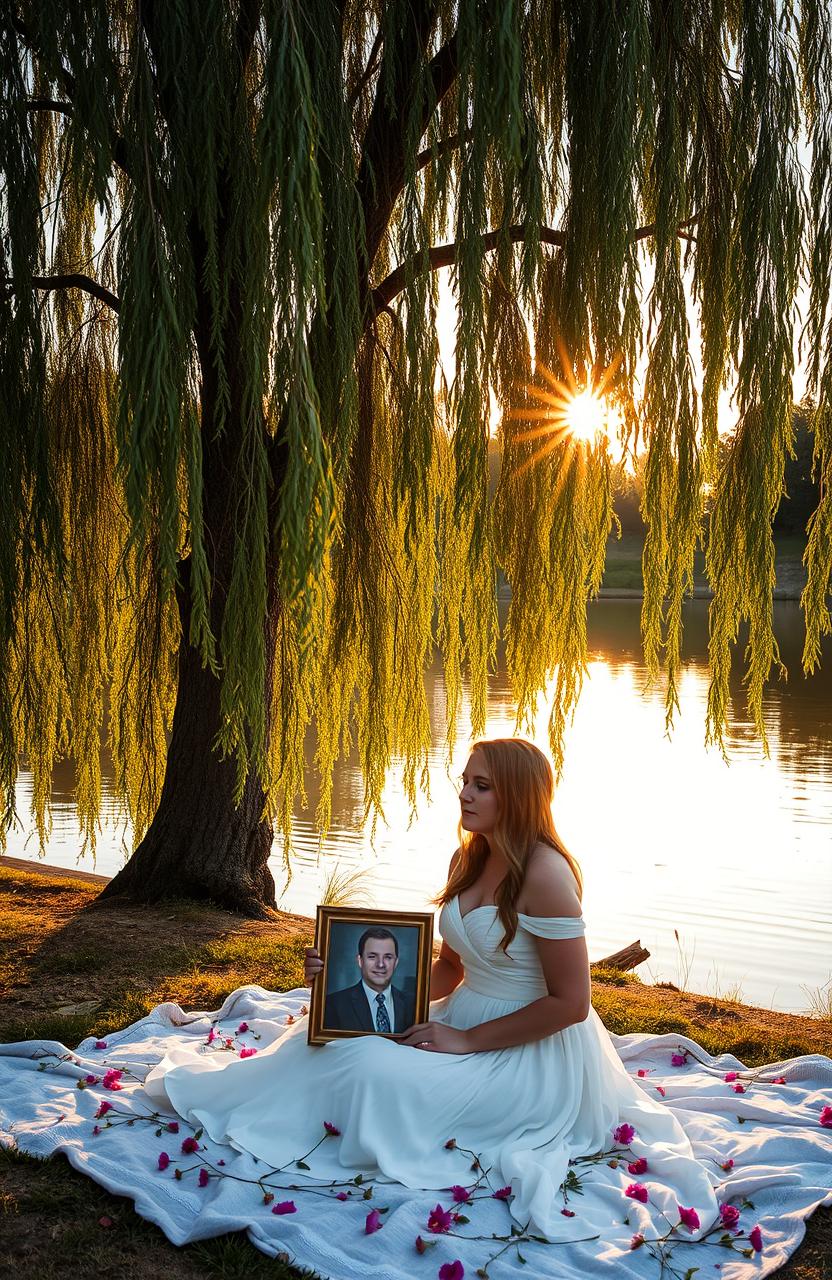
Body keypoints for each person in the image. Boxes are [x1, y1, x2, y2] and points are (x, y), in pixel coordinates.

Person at [143, 737, 717, 1238]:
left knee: (375, 1069)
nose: (465, 794)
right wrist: (343, 975)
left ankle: (363, 1122)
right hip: (465, 1012)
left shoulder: (545, 875)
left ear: (516, 796)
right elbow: (451, 969)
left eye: (482, 786)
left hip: (530, 1047)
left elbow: (572, 1003)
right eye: (464, 782)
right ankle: (285, 1112)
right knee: (334, 1039)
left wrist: (466, 1042)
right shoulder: (465, 859)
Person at [324, 927, 415, 1033]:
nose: (381, 964)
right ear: (360, 961)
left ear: (396, 962)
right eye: (372, 957)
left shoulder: (413, 1005)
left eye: (388, 957)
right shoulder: (333, 1004)